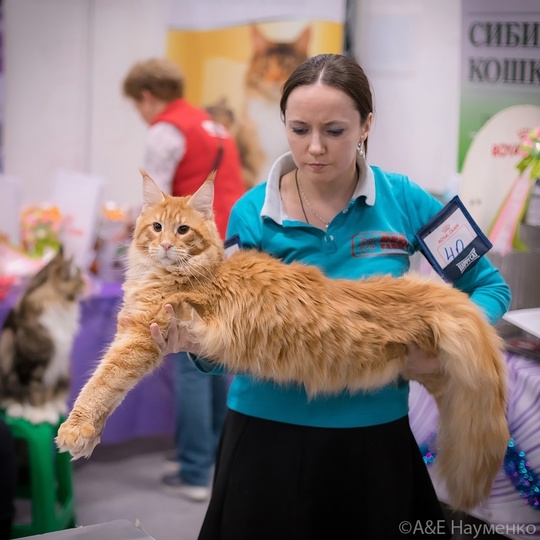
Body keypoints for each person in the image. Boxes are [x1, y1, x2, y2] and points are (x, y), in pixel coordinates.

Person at [151, 53, 512, 538]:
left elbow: (490, 286)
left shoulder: (407, 199)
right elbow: (227, 350)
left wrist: (449, 343)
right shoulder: (250, 213)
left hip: (372, 442)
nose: (315, 148)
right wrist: (196, 345)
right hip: (265, 438)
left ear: (366, 124)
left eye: (335, 131)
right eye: (299, 129)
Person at [122, 58, 245, 502]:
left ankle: (195, 469)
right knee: (215, 349)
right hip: (227, 239)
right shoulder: (212, 124)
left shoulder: (165, 130)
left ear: (147, 97)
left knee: (190, 354)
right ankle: (211, 457)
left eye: (138, 105)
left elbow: (153, 200)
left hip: (190, 249)